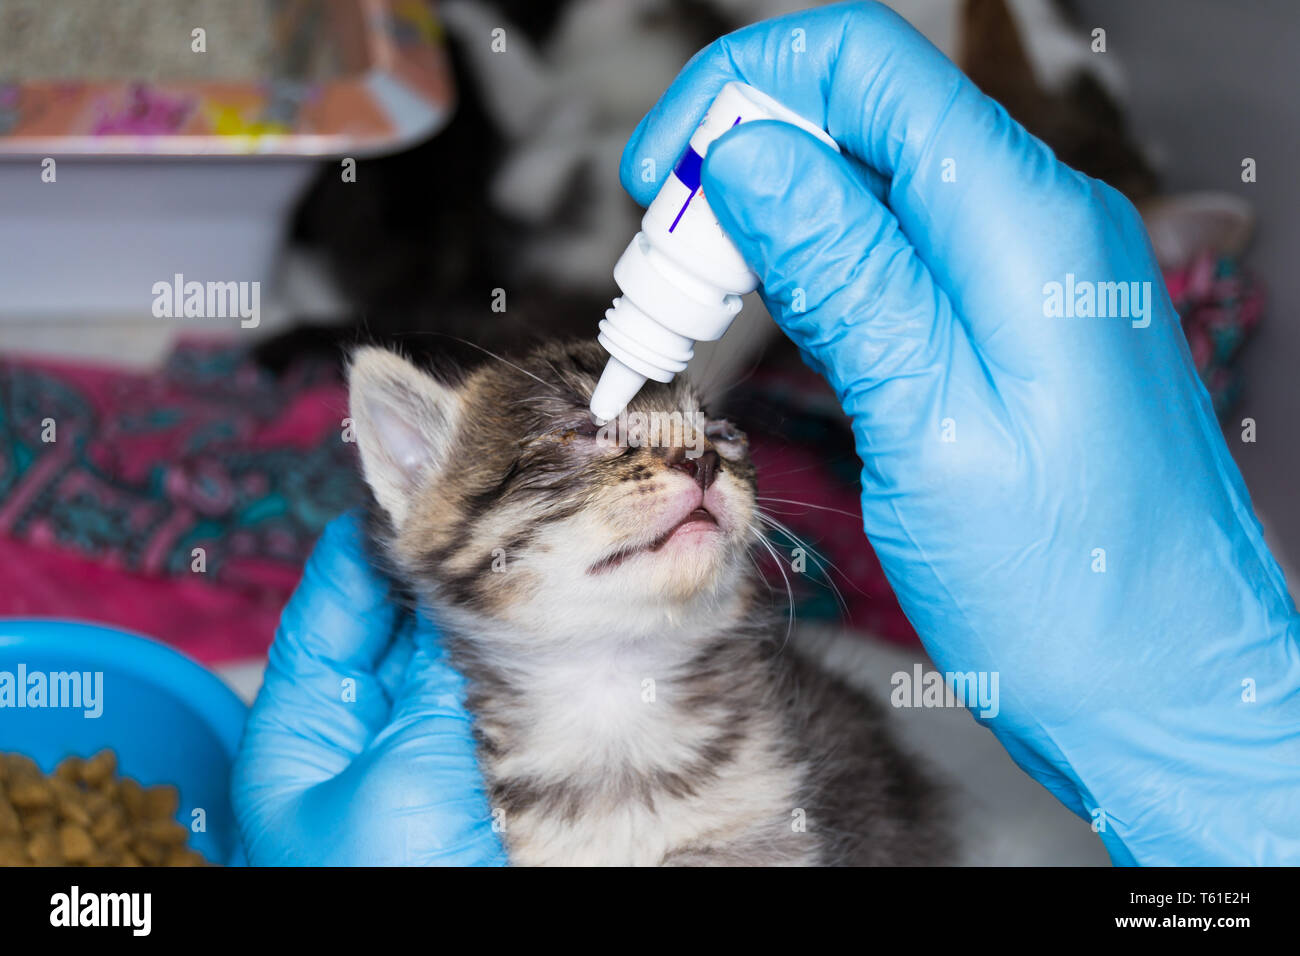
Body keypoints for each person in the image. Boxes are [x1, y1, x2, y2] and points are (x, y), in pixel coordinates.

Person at [232, 1, 1300, 866]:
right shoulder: (427, 783)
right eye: (586, 438)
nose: (691, 456)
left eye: (714, 440)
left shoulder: (773, 778)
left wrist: (1224, 745)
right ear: (419, 476)